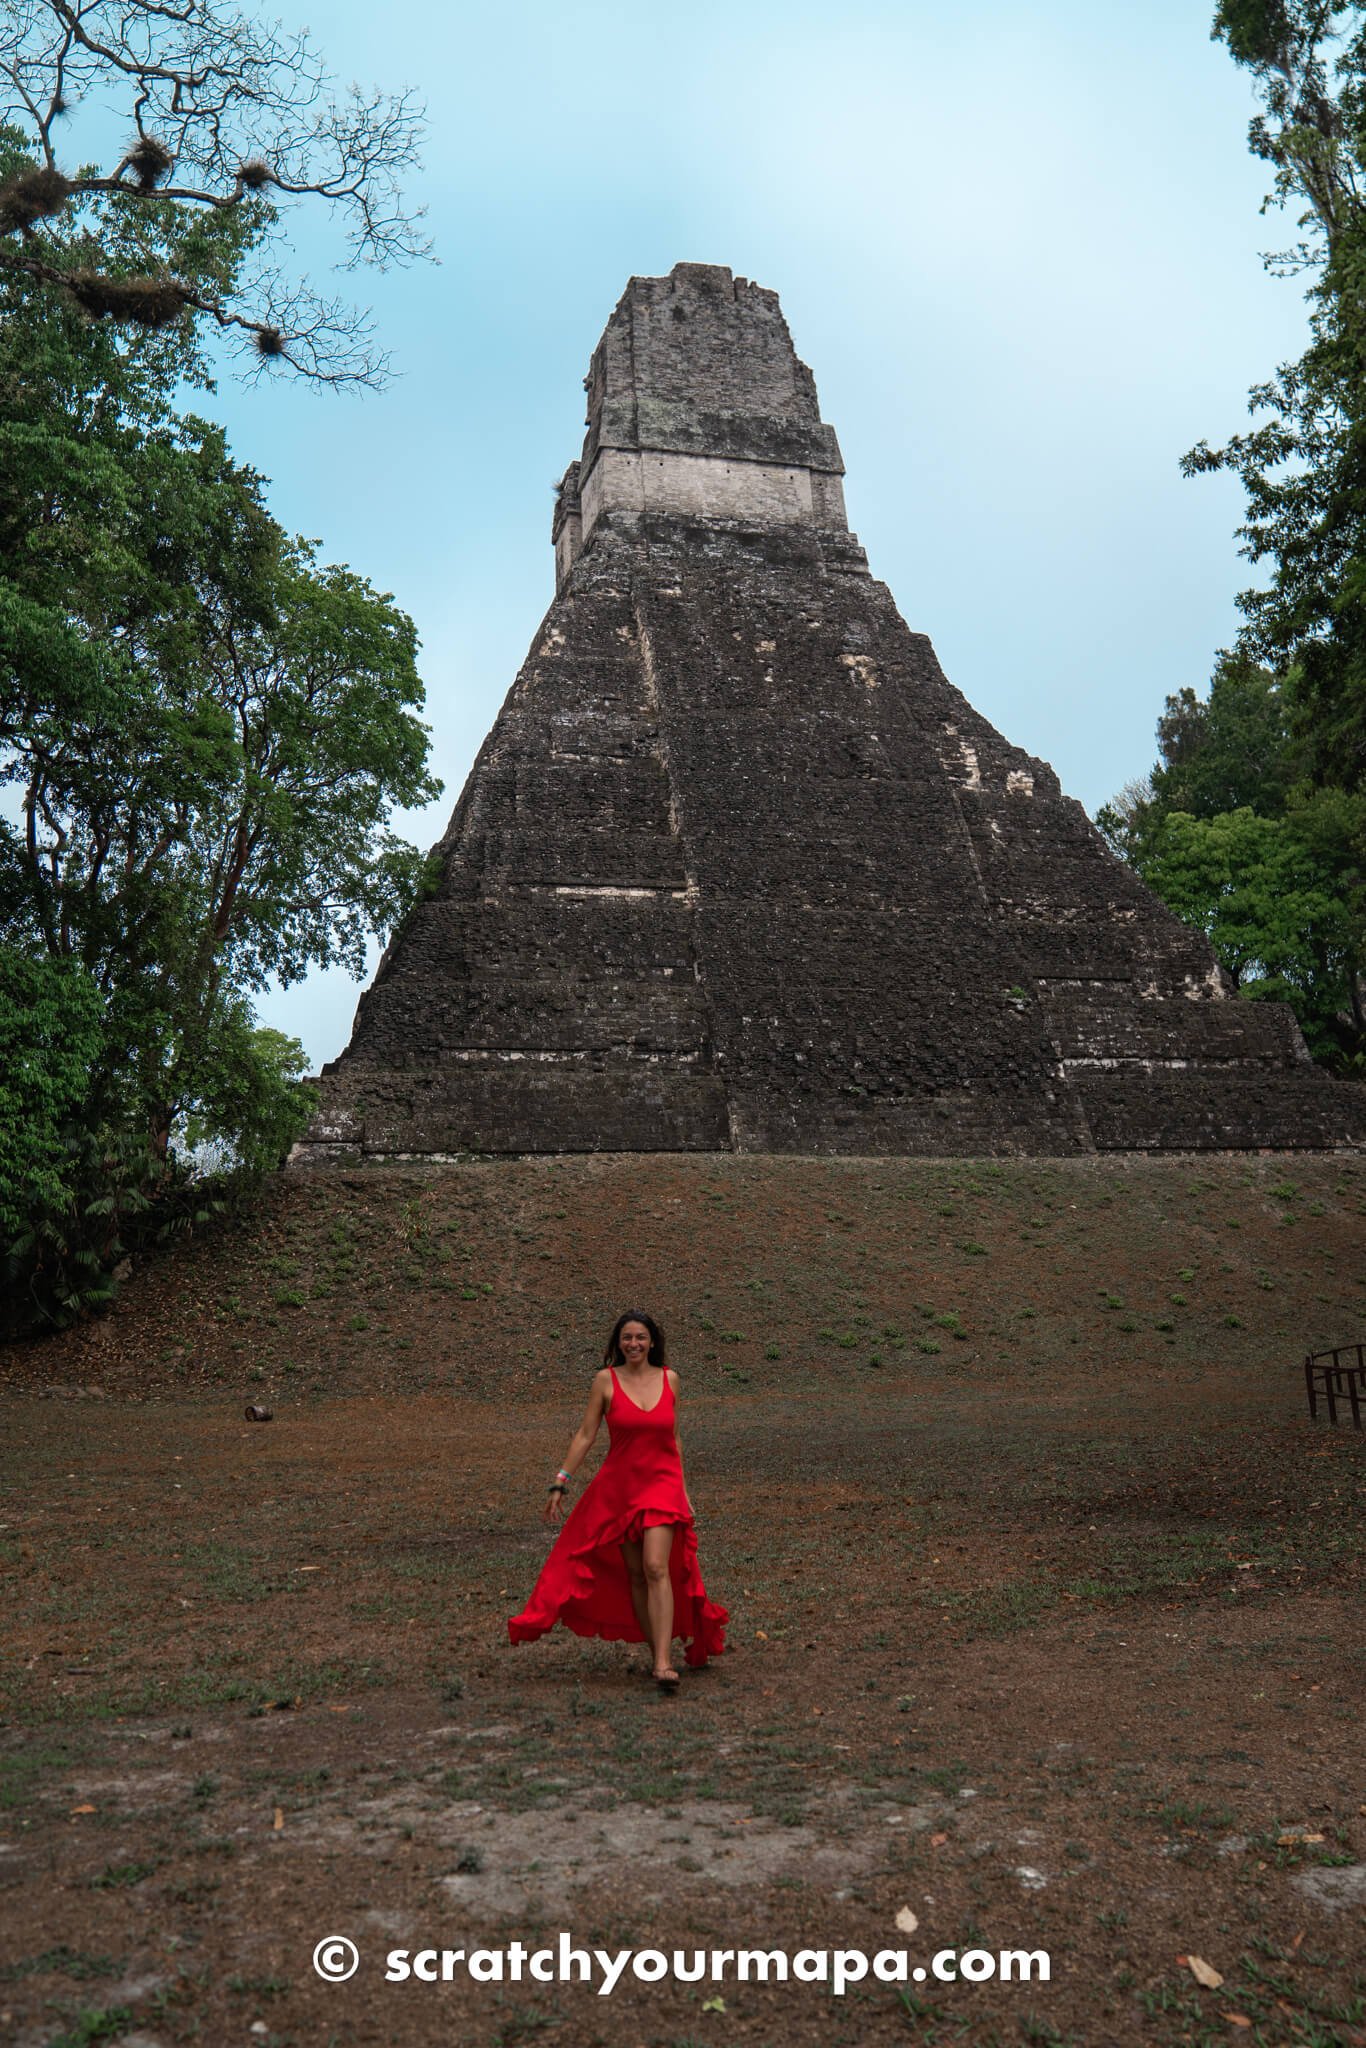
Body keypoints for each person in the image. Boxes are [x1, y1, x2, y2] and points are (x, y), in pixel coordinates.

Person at [507, 1311, 728, 1690]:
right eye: (627, 1338)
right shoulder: (605, 1382)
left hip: (662, 1486)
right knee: (637, 1576)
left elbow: (673, 1438)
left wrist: (683, 1489)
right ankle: (655, 1650)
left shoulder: (670, 1379)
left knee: (656, 1567)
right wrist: (561, 1480)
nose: (634, 1344)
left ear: (652, 1341)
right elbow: (585, 1434)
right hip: (620, 1490)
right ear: (618, 1343)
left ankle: (662, 1664)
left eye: (641, 1337)